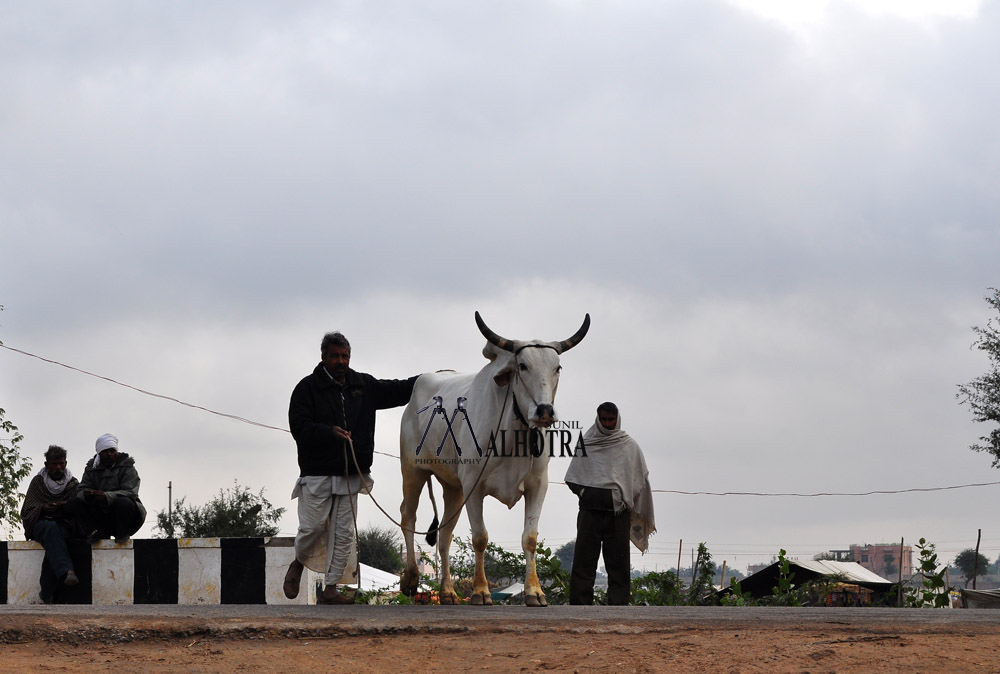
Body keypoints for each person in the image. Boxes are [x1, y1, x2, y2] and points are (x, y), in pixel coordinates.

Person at [283, 331, 418, 604]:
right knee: (312, 528)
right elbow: (299, 426)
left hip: (350, 474)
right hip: (317, 471)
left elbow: (399, 389)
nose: (340, 361)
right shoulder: (306, 388)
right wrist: (328, 432)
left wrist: (428, 381)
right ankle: (298, 562)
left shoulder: (363, 385)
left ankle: (330, 589)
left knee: (344, 534)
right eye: (335, 356)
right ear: (324, 358)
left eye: (344, 356)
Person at [564, 402, 656, 605]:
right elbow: (572, 478)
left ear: (617, 419)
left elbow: (640, 477)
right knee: (584, 562)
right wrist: (585, 492)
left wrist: (622, 498)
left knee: (619, 564)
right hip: (589, 512)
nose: (607, 424)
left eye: (611, 420)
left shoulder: (629, 446)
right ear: (598, 419)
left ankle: (618, 608)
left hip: (618, 514)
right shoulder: (587, 443)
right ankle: (580, 608)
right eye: (604, 420)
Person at [20, 445, 81, 603]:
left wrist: (63, 506)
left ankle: (47, 593)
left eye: (61, 463)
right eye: (54, 464)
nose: (58, 467)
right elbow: (27, 510)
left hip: (63, 524)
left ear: (65, 463)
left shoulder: (73, 484)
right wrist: (43, 508)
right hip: (41, 523)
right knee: (51, 529)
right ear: (47, 465)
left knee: (56, 536)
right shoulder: (38, 482)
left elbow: (78, 506)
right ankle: (67, 570)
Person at [64, 433, 146, 543]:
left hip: (124, 515)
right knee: (73, 503)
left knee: (124, 502)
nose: (109, 454)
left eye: (112, 451)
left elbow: (131, 491)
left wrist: (107, 496)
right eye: (105, 451)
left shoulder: (127, 466)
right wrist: (86, 494)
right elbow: (81, 489)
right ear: (99, 453)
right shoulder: (91, 468)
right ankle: (95, 532)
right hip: (99, 512)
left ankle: (121, 534)